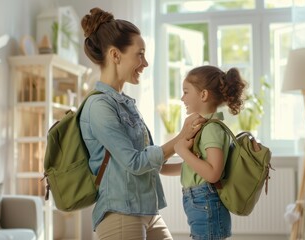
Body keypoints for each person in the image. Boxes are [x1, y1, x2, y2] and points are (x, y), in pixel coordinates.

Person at [79, 7, 206, 240]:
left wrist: (202, 166)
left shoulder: (126, 104)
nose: (145, 62)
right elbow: (135, 163)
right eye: (140, 54)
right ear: (115, 55)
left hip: (147, 210)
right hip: (120, 214)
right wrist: (181, 136)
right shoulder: (99, 107)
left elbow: (153, 163)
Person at [161, 65, 247, 240]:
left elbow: (212, 173)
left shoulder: (211, 129)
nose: (181, 97)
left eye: (186, 92)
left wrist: (181, 150)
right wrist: (160, 167)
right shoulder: (204, 127)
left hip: (205, 201)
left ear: (203, 95)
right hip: (200, 202)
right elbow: (195, 167)